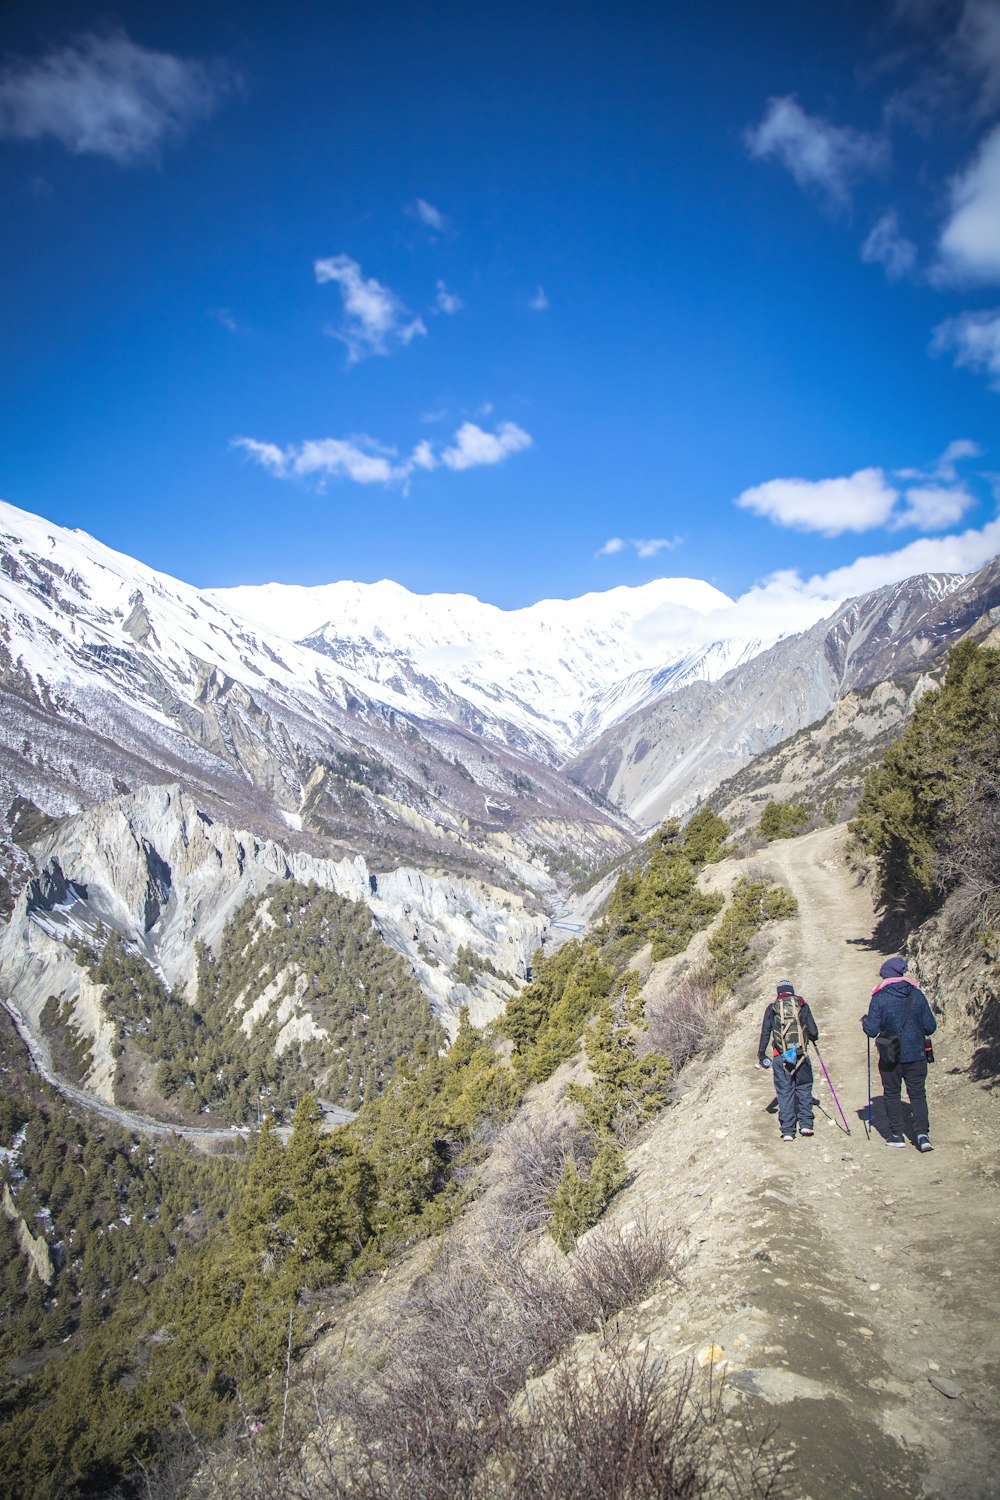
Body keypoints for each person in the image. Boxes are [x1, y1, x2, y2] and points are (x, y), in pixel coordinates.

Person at [861, 956, 936, 1151]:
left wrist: (865, 1021)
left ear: (885, 976)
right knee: (918, 1093)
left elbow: (871, 1030)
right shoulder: (917, 995)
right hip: (917, 1054)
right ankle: (922, 1134)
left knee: (892, 1093)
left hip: (890, 1056)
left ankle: (896, 1135)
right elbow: (930, 1027)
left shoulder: (879, 998)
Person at [757, 980, 819, 1141]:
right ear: (792, 991)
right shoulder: (802, 1005)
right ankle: (806, 1125)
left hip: (781, 1056)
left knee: (784, 1093)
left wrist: (762, 1054)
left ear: (778, 992)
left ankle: (788, 1131)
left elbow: (765, 1034)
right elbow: (814, 1032)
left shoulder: (772, 1008)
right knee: (804, 1088)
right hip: (801, 1054)